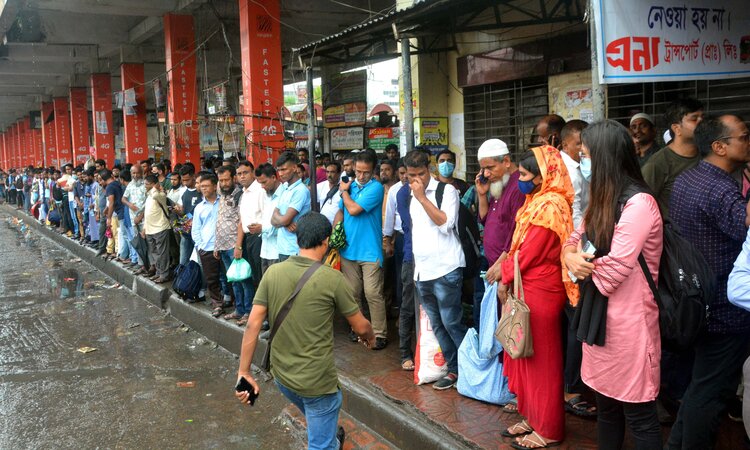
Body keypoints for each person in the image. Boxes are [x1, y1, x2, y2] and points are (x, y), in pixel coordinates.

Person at [235, 212, 375, 450]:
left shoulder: (273, 273)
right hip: (318, 384)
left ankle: (327, 434)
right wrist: (370, 338)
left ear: (298, 238)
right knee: (321, 441)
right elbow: (361, 326)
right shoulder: (333, 279)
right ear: (326, 241)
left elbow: (252, 325)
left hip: (283, 377)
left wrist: (244, 372)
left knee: (317, 419)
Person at [564, 120, 663, 449]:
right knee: (606, 409)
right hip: (599, 323)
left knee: (640, 416)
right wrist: (569, 256)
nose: (583, 163)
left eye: (587, 155)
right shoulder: (602, 198)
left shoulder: (639, 204)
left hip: (630, 327)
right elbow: (574, 237)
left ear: (604, 158)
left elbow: (613, 273)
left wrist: (579, 265)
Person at [667, 115, 750, 449]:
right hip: (725, 311)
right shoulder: (723, 191)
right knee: (711, 393)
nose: (748, 142)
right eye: (744, 137)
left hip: (697, 303)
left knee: (701, 384)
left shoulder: (689, 179)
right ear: (720, 146)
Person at [499, 146, 576, 448]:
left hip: (541, 290)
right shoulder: (537, 200)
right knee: (526, 357)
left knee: (542, 361)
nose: (521, 179)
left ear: (544, 176)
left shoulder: (551, 206)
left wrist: (502, 273)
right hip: (527, 287)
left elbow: (529, 253)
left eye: (526, 174)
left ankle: (550, 428)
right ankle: (532, 416)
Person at [404, 149, 467, 389]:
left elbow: (445, 223)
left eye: (420, 174)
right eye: (411, 176)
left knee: (452, 322)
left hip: (446, 269)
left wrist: (422, 197)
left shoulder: (446, 191)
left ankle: (468, 370)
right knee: (438, 325)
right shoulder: (409, 194)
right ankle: (453, 370)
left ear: (429, 169)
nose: (416, 180)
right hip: (423, 271)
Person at [334, 150, 388, 350]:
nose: (361, 176)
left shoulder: (376, 188)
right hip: (348, 250)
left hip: (370, 250)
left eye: (365, 172)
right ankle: (359, 328)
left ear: (373, 170)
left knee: (373, 293)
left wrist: (344, 191)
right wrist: (335, 234)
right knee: (353, 293)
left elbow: (354, 209)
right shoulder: (351, 186)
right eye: (358, 171)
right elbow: (341, 210)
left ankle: (380, 334)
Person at [641, 98, 704, 218]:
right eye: (694, 119)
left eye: (702, 117)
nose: (701, 122)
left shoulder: (708, 156)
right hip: (673, 234)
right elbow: (643, 207)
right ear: (676, 128)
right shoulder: (657, 164)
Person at [215, 165, 253, 326]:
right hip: (222, 245)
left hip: (234, 245)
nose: (223, 183)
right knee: (234, 280)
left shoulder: (240, 195)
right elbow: (221, 220)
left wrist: (238, 246)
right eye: (221, 180)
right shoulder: (222, 195)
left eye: (226, 180)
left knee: (244, 279)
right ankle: (238, 310)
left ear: (233, 179)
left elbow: (241, 221)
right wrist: (217, 245)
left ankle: (248, 312)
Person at [236, 161, 264, 316]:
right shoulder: (244, 192)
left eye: (245, 172)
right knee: (253, 276)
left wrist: (261, 227)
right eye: (239, 174)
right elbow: (241, 220)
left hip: (259, 237)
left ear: (253, 173)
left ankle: (263, 314)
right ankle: (256, 312)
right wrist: (238, 245)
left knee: (260, 276)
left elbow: (267, 213)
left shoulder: (260, 190)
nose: (242, 176)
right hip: (247, 238)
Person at [192, 173, 223, 317]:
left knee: (228, 276)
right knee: (212, 278)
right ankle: (217, 303)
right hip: (207, 247)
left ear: (215, 185)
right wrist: (200, 246)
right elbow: (196, 229)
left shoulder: (223, 201)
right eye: (201, 186)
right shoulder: (199, 207)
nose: (203, 189)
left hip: (224, 245)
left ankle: (231, 300)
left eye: (206, 186)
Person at [271, 152, 310, 260]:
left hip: (295, 249)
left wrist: (282, 220)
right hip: (282, 248)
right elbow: (272, 219)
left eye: (283, 169)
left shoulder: (300, 190)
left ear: (294, 168)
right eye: (279, 170)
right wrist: (284, 222)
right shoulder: (285, 187)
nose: (280, 173)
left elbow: (281, 219)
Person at [559, 120, 589, 229]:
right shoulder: (569, 173)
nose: (584, 148)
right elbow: (574, 213)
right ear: (565, 146)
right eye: (579, 144)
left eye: (587, 143)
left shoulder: (582, 163)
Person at [142, 174, 172, 283]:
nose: (145, 186)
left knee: (162, 253)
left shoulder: (160, 195)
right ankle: (158, 273)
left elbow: (156, 196)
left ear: (154, 184)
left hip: (160, 228)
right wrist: (144, 228)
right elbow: (147, 213)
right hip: (150, 229)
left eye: (147, 184)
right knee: (155, 253)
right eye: (145, 184)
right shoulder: (149, 195)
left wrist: (156, 187)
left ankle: (164, 275)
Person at [256, 163, 283, 273]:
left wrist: (261, 228)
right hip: (265, 249)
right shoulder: (266, 195)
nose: (262, 186)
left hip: (278, 251)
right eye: (260, 183)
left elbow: (281, 224)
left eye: (264, 182)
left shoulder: (284, 195)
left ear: (273, 177)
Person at [176, 165, 201, 265]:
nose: (185, 183)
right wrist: (177, 210)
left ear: (193, 177)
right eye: (183, 180)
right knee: (183, 260)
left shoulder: (201, 190)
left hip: (198, 231)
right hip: (186, 230)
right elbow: (183, 211)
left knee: (199, 261)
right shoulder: (183, 191)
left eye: (187, 180)